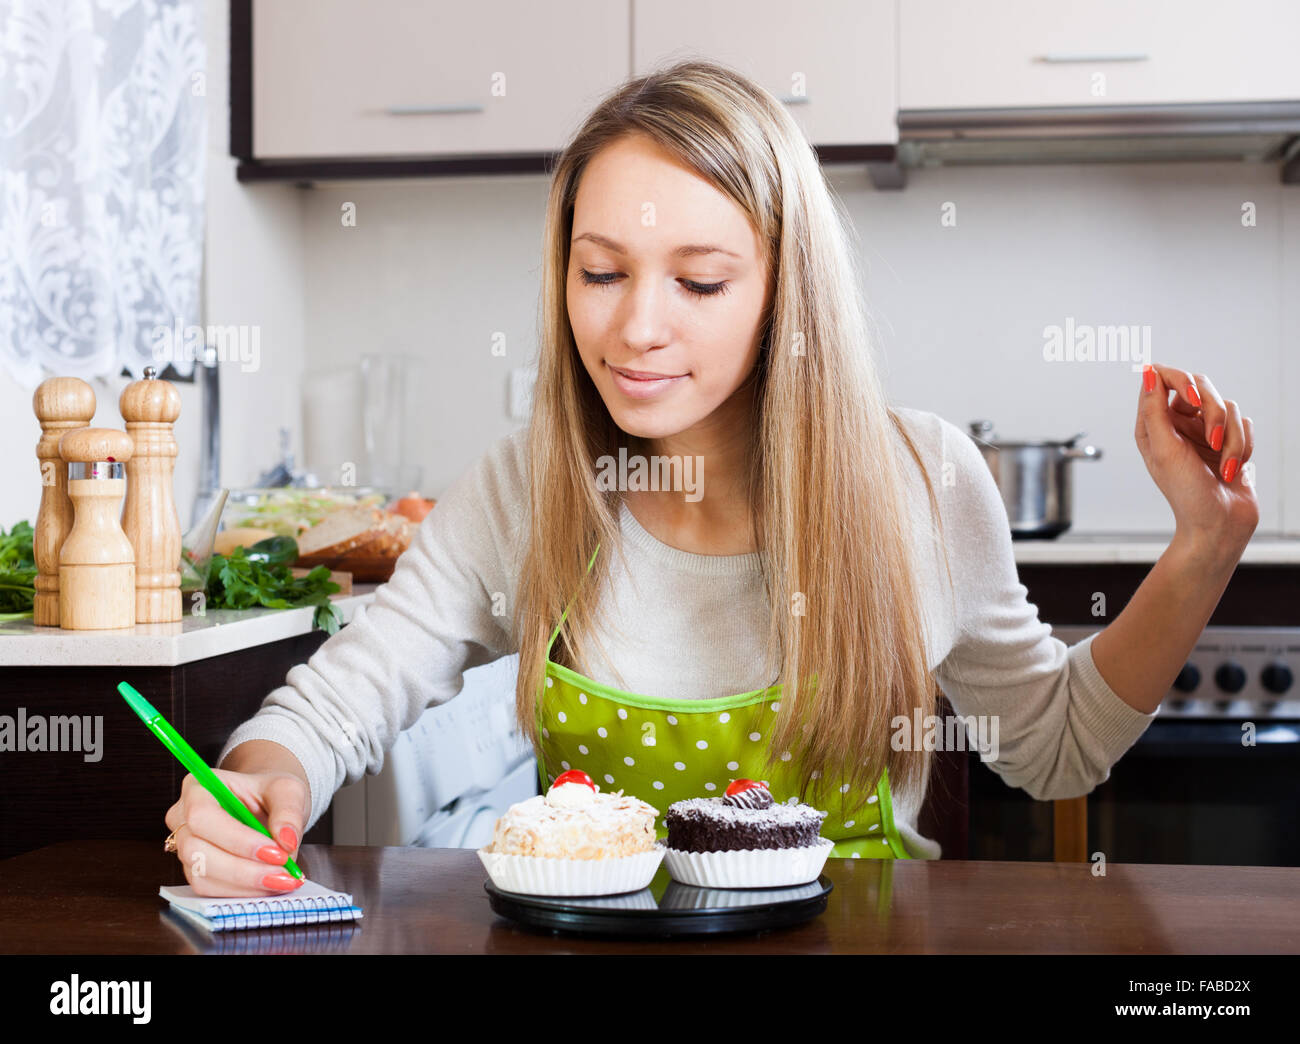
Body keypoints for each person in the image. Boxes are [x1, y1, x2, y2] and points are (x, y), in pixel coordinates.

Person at [165, 59, 1258, 896]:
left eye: (698, 281)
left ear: (785, 291)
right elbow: (347, 693)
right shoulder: (533, 488)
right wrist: (270, 771)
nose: (636, 327)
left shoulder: (920, 481)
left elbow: (1054, 751)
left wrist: (1202, 549)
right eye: (600, 273)